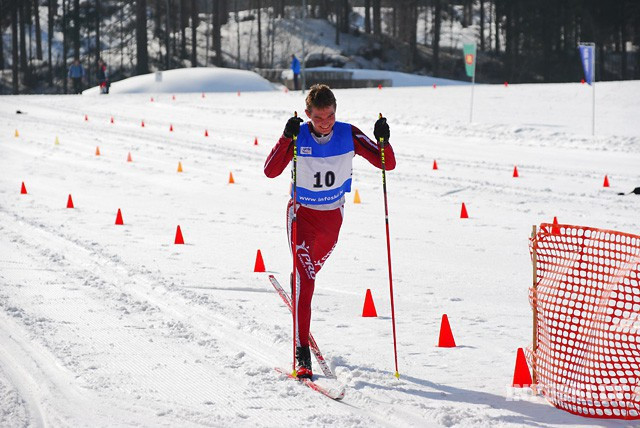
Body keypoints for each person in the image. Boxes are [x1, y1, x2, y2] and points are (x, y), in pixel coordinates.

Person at [263, 84, 395, 378]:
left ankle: (299, 285)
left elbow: (387, 163)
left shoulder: (349, 133)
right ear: (308, 114)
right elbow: (270, 171)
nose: (325, 124)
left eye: (330, 116)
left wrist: (383, 140)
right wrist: (286, 138)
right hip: (301, 217)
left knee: (309, 274)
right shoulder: (299, 135)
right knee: (307, 282)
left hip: (332, 220)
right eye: (319, 118)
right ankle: (301, 354)